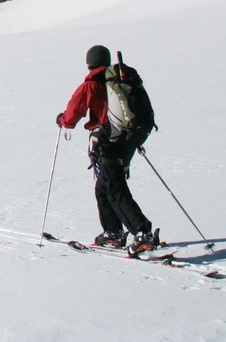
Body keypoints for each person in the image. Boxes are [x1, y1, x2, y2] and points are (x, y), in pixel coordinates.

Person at [56, 45, 159, 251]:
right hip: (127, 140)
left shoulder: (91, 84)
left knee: (114, 188)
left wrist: (63, 120)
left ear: (89, 62)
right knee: (103, 188)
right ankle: (113, 232)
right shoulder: (119, 80)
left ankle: (141, 232)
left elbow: (73, 112)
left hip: (107, 141)